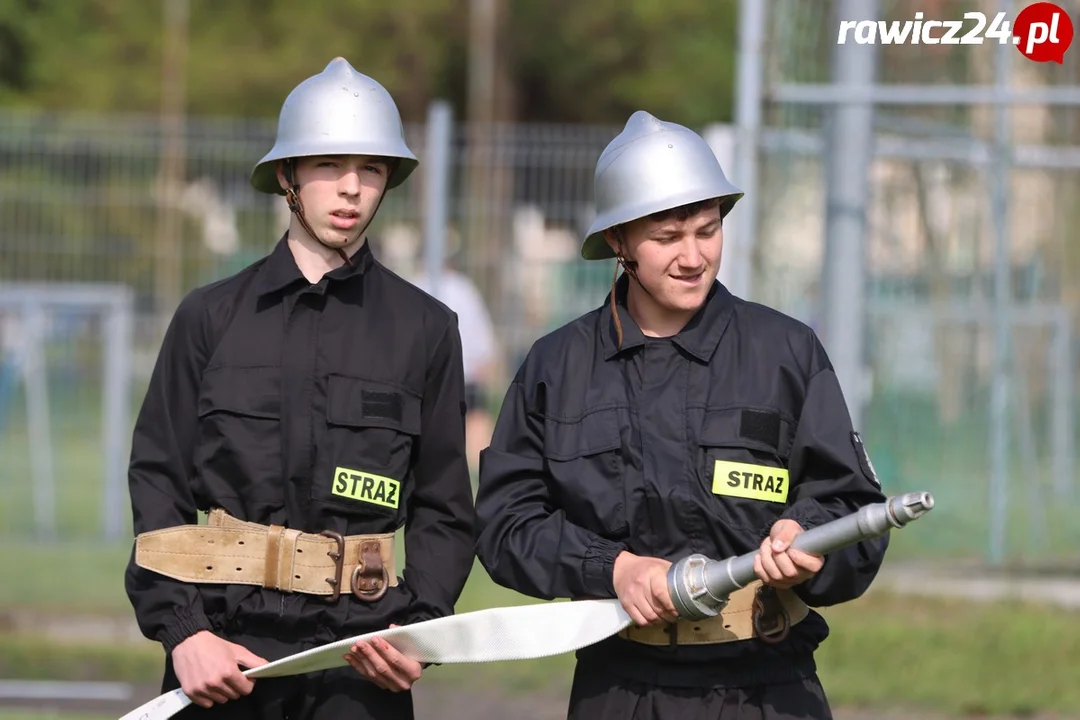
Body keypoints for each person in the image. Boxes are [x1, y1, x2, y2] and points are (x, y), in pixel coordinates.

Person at [473, 110, 890, 720]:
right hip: (619, 690)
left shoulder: (786, 352)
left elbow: (853, 511)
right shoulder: (555, 366)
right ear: (617, 241)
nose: (694, 256)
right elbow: (506, 525)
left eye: (707, 229)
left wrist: (806, 541)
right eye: (668, 238)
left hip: (767, 687)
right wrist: (610, 568)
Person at [124, 57, 475, 720]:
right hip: (223, 654)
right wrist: (184, 632)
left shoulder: (427, 328)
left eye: (371, 170)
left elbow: (445, 506)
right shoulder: (210, 318)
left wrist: (419, 632)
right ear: (287, 177)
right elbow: (157, 482)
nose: (351, 190)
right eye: (328, 167)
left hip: (362, 662)